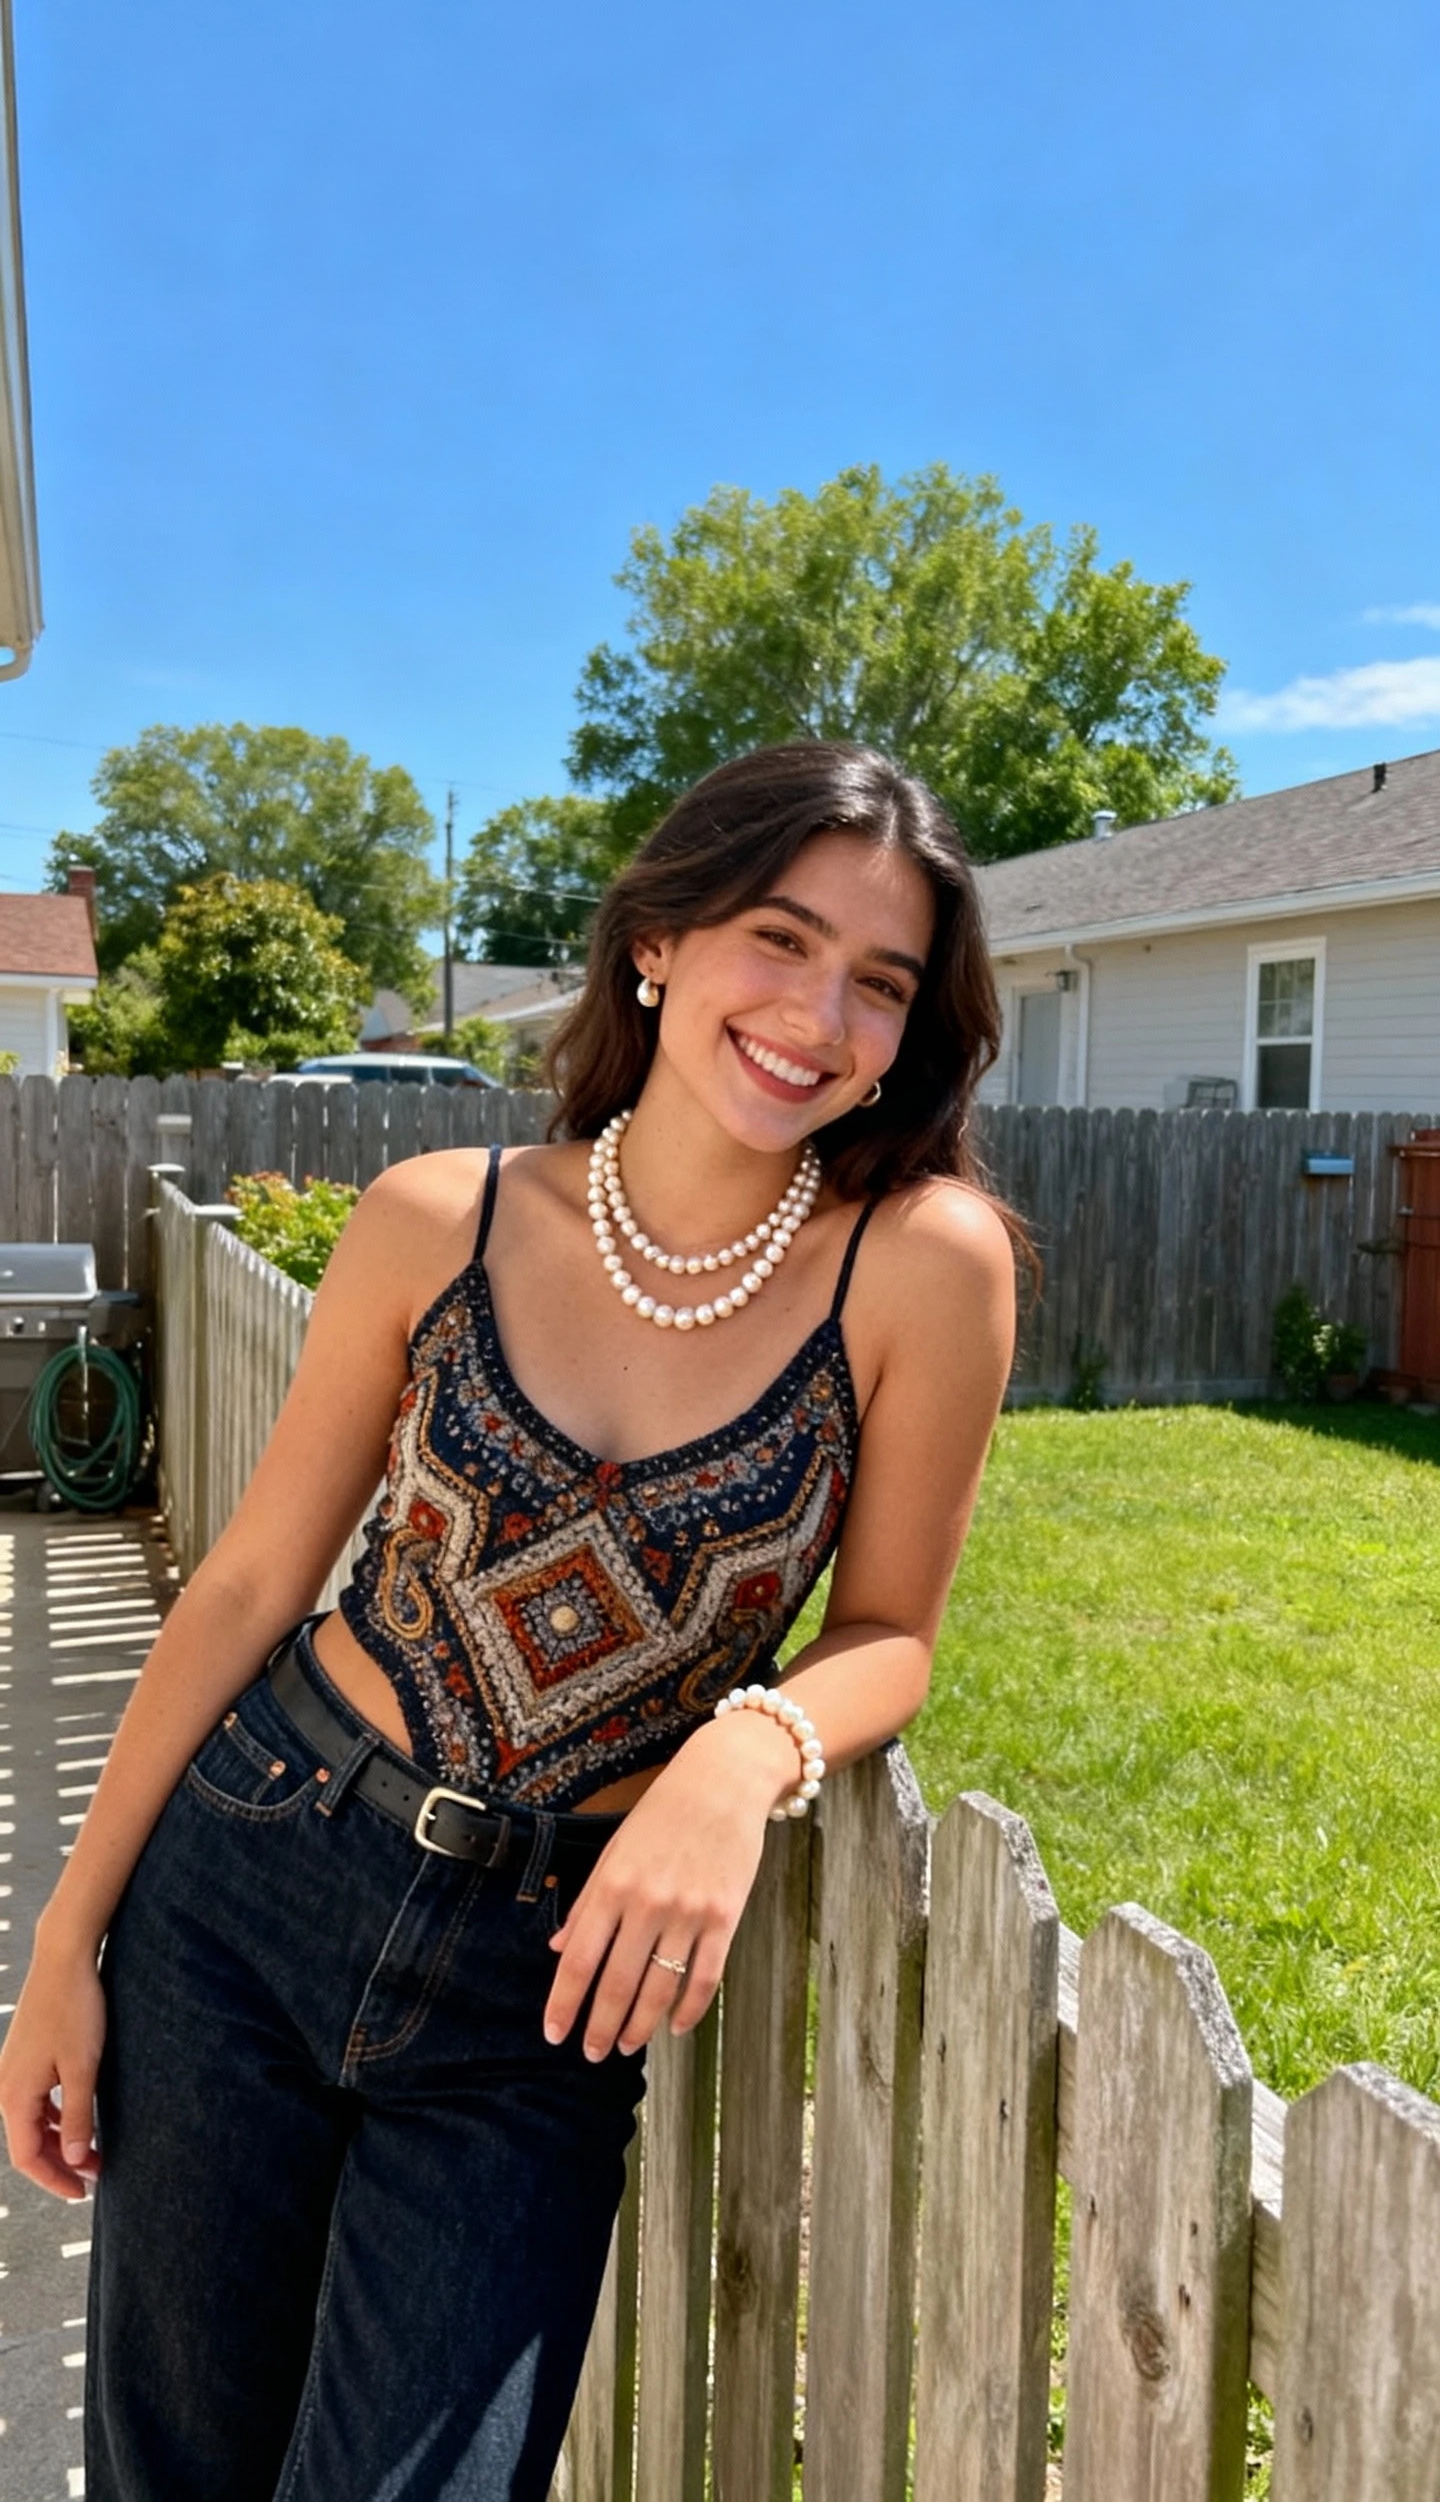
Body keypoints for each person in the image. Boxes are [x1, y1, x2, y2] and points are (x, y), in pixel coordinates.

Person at [0, 740, 1018, 2501]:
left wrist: (741, 1753)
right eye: (778, 939)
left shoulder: (923, 1262)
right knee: (174, 2468)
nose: (817, 1012)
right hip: (247, 1883)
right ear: (658, 942)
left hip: (537, 1999)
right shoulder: (434, 1222)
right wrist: (62, 1949)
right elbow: (247, 1586)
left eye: (879, 981)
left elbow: (893, 1630)